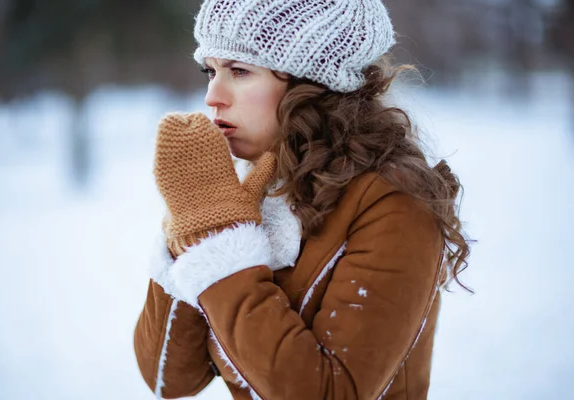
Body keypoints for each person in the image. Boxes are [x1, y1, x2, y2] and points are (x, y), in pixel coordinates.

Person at [133, 0, 472, 399]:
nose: (213, 95)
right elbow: (170, 379)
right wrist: (194, 224)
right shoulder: (249, 190)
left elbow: (331, 392)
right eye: (210, 70)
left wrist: (220, 243)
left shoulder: (392, 202)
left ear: (311, 83)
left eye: (240, 71)